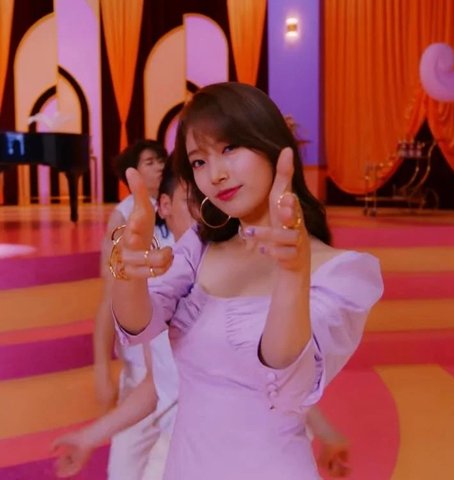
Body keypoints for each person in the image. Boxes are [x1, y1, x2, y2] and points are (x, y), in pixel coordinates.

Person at [110, 82, 383, 479]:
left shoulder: (342, 273)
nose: (216, 175)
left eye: (230, 148)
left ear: (272, 145)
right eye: (199, 162)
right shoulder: (200, 246)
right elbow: (138, 326)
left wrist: (292, 277)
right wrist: (126, 271)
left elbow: (289, 384)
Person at [54, 161, 193, 479]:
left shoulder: (233, 276)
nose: (203, 212)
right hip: (152, 399)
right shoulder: (151, 265)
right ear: (165, 206)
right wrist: (89, 435)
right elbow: (156, 381)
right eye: (192, 200)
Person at [93, 140, 177, 480]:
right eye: (149, 162)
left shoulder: (180, 209)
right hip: (140, 365)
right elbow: (110, 299)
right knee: (125, 464)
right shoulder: (125, 215)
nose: (158, 167)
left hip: (176, 362)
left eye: (161, 160)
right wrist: (102, 367)